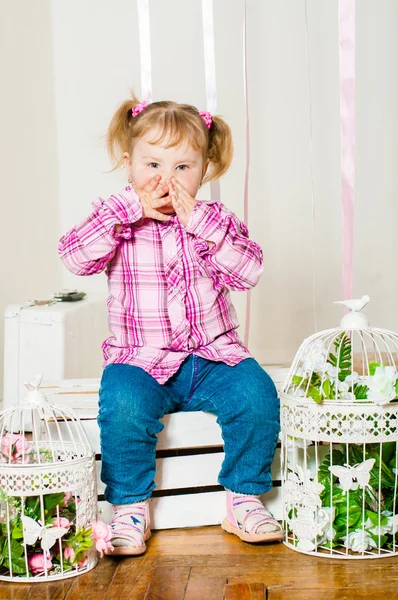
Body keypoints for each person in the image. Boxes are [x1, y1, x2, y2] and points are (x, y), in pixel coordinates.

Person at [58, 94, 283, 556]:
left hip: (212, 356)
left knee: (256, 394)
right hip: (140, 358)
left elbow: (249, 272)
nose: (166, 178)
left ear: (204, 171)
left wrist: (200, 223)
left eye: (183, 167)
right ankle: (130, 509)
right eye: (153, 164)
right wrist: (124, 209)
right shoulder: (117, 223)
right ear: (129, 166)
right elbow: (73, 257)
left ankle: (243, 497)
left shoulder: (214, 221)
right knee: (122, 406)